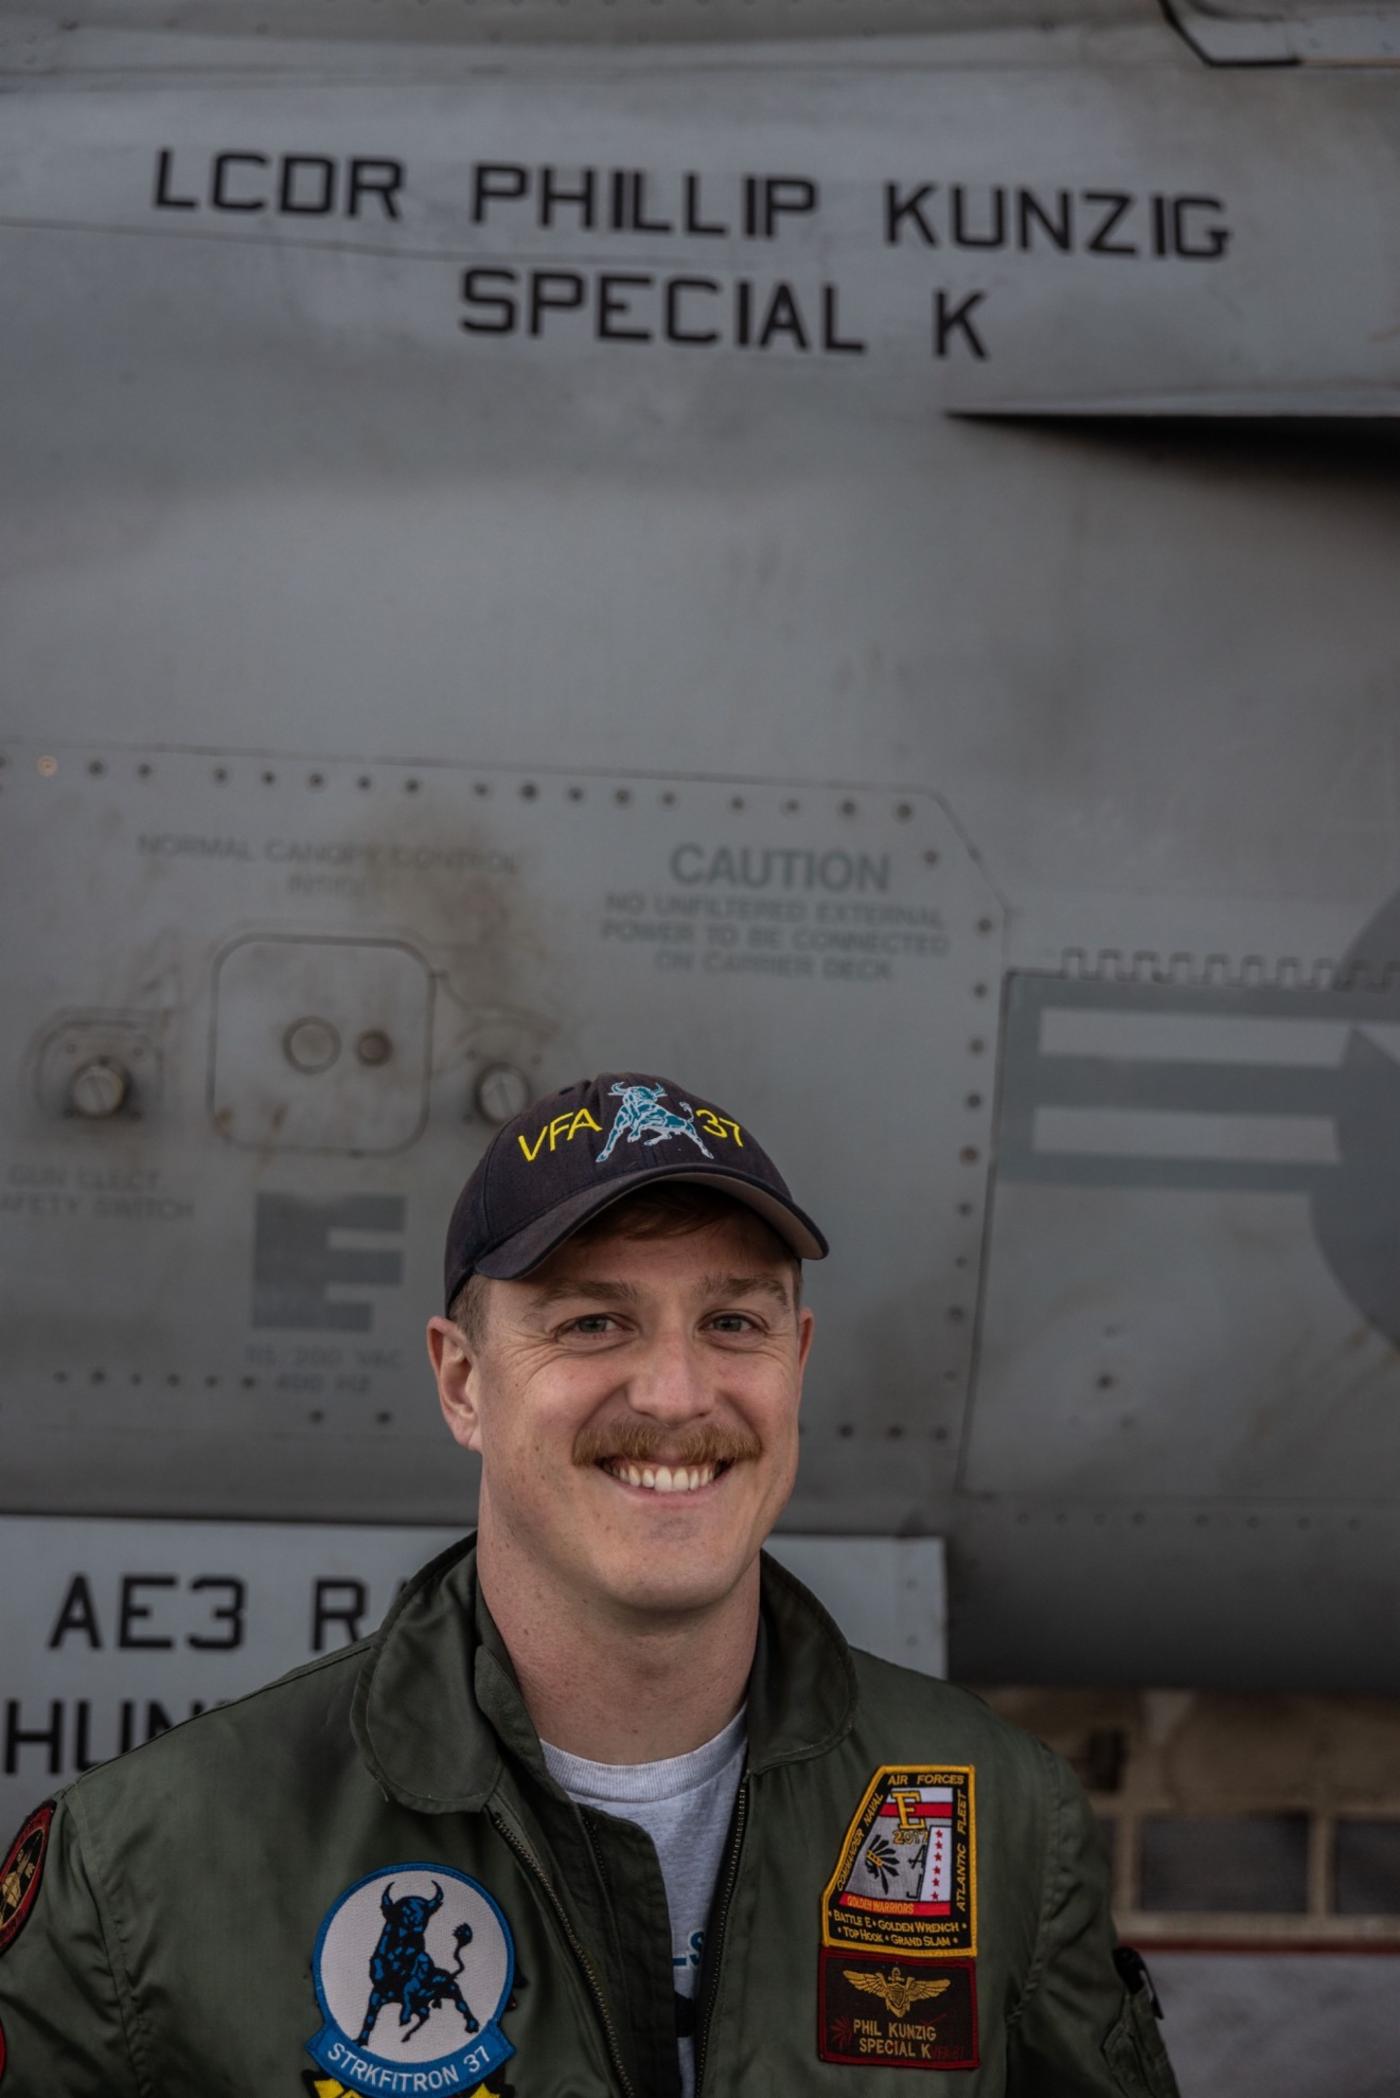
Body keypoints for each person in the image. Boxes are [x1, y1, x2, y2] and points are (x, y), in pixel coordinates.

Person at [0, 1071, 1179, 2096]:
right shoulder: (146, 1871)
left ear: (797, 1366)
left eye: (730, 1319)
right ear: (462, 1382)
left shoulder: (1003, 1824)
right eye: (591, 1321)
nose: (675, 1392)